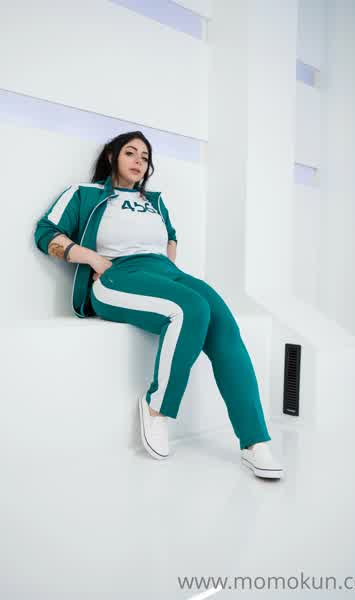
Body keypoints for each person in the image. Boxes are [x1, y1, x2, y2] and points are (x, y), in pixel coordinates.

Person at [34, 130, 284, 480]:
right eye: (130, 153)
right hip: (117, 275)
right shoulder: (85, 193)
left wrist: (168, 267)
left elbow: (170, 237)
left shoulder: (155, 201)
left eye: (145, 157)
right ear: (111, 157)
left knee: (224, 323)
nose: (139, 161)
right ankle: (157, 408)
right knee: (191, 308)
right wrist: (93, 259)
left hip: (165, 273)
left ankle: (254, 441)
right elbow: (46, 231)